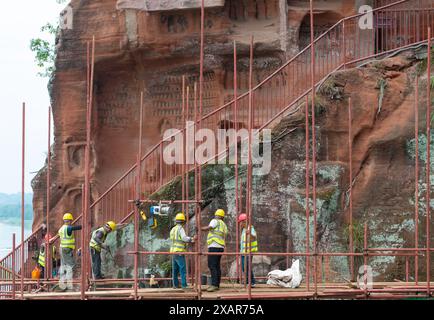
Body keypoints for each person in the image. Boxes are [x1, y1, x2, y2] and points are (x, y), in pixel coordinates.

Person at [201, 209, 228, 292]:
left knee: (212, 265)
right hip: (220, 247)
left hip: (214, 246)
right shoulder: (223, 224)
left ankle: (214, 285)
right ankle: (216, 284)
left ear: (217, 215)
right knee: (216, 266)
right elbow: (225, 233)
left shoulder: (215, 221)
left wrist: (200, 228)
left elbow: (209, 227)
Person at [169, 212, 196, 289]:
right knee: (182, 268)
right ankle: (184, 285)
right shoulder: (180, 229)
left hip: (173, 252)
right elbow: (184, 238)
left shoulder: (173, 229)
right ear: (183, 221)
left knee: (175, 269)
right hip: (179, 251)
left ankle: (175, 285)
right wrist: (191, 239)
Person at [58, 213, 81, 283]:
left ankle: (62, 279)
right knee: (71, 265)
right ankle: (68, 280)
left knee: (63, 264)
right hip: (66, 249)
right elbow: (77, 227)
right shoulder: (69, 228)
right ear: (69, 221)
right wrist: (84, 225)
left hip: (62, 248)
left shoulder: (61, 228)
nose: (71, 222)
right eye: (70, 221)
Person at [238, 213, 258, 287]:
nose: (240, 224)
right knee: (244, 267)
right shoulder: (244, 230)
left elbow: (254, 237)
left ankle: (252, 282)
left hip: (248, 252)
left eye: (240, 222)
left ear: (244, 221)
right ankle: (247, 281)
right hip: (244, 252)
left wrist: (250, 234)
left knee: (247, 267)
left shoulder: (250, 228)